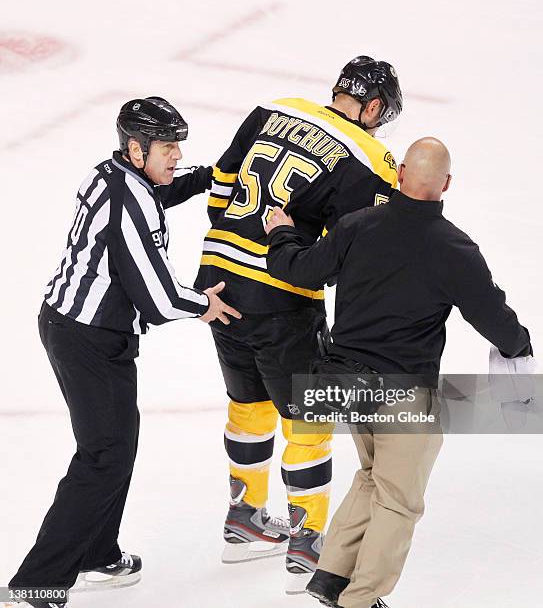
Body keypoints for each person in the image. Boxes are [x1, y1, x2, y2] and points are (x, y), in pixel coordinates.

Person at [264, 137, 533, 608]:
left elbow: (301, 271)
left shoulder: (356, 226)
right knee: (398, 499)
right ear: (447, 184)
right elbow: (496, 320)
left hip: (341, 385)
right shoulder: (455, 249)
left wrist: (282, 231)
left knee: (371, 477)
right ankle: (361, 600)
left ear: (401, 172)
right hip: (403, 395)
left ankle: (330, 579)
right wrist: (520, 346)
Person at [9, 97, 240, 608]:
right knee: (103, 456)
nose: (176, 155)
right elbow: (157, 298)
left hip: (83, 328)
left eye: (179, 144)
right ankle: (38, 581)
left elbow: (163, 190)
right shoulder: (128, 200)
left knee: (116, 446)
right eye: (167, 146)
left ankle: (97, 553)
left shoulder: (115, 174)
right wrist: (207, 304)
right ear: (136, 149)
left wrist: (205, 176)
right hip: (86, 337)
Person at [193, 56, 403, 592]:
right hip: (280, 297)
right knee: (308, 420)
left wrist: (228, 252)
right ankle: (307, 546)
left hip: (216, 282)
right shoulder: (369, 155)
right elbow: (358, 244)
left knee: (248, 403)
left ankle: (244, 519)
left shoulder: (273, 109)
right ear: (375, 107)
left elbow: (221, 181)